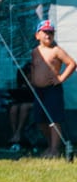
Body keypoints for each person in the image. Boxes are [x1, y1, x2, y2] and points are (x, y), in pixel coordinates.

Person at [7, 21, 75, 156]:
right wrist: (32, 80)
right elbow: (34, 67)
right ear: (37, 35)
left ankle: (55, 149)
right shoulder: (35, 52)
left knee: (54, 119)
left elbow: (72, 63)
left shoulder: (56, 50)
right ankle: (50, 145)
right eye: (45, 32)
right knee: (40, 121)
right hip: (38, 91)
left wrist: (61, 78)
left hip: (52, 89)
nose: (48, 35)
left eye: (51, 32)